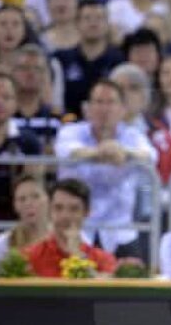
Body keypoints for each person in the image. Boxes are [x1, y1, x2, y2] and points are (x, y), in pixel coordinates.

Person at [53, 80, 154, 258]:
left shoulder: (132, 135)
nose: (104, 109)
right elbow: (66, 151)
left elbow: (150, 156)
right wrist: (101, 152)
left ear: (123, 109)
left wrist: (124, 152)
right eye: (98, 102)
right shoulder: (70, 131)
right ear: (88, 108)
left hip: (121, 231)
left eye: (110, 102)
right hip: (74, 228)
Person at [0, 73, 42, 220]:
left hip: (18, 223)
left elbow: (35, 190)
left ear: (16, 103)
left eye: (6, 97)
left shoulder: (29, 142)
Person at [26, 177, 119, 277]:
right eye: (58, 208)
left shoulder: (104, 260)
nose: (65, 216)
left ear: (87, 212)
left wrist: (77, 254)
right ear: (50, 211)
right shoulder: (30, 257)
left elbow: (106, 289)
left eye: (74, 209)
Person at [0, 174, 48, 274]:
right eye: (22, 199)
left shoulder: (64, 239)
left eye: (36, 196)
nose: (29, 203)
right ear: (15, 206)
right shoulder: (3, 242)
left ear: (48, 200)